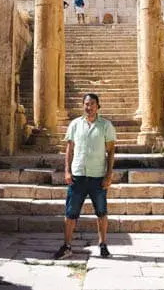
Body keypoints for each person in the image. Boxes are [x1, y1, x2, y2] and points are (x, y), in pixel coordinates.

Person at [54, 93, 116, 259]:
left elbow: (111, 151)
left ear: (98, 106)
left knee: (101, 211)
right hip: (78, 175)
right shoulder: (75, 124)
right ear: (83, 106)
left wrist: (109, 174)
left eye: (92, 104)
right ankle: (67, 246)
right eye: (87, 104)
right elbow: (69, 149)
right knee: (71, 212)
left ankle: (103, 244)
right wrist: (67, 171)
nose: (89, 107)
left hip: (98, 176)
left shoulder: (106, 125)